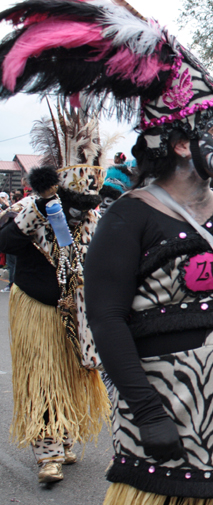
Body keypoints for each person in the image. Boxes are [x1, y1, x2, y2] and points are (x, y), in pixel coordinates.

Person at [0, 1, 213, 505]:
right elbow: (106, 319)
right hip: (166, 409)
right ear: (177, 141)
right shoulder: (128, 218)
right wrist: (146, 411)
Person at [0, 109, 111, 485]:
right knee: (42, 381)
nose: (82, 212)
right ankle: (47, 454)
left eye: (89, 205)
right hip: (36, 306)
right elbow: (6, 242)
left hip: (77, 311)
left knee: (69, 377)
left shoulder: (93, 221)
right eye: (76, 205)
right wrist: (42, 213)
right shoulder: (35, 210)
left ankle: (62, 439)